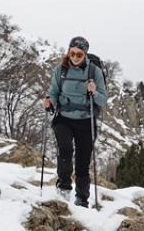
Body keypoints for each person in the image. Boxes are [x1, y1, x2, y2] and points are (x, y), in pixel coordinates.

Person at [42, 36, 106, 206]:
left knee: (83, 161)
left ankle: (82, 198)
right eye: (72, 53)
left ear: (85, 54)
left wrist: (95, 92)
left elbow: (102, 100)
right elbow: (54, 91)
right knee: (65, 150)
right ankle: (63, 188)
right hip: (64, 118)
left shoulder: (94, 72)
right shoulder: (61, 70)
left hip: (86, 121)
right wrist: (50, 101)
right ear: (68, 52)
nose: (75, 57)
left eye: (79, 54)